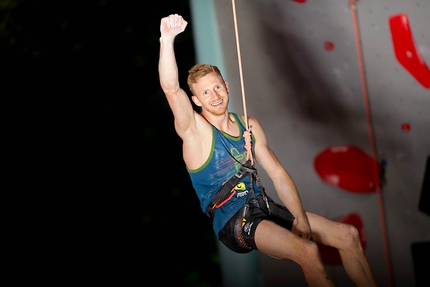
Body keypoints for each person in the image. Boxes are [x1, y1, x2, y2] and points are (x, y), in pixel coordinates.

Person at [158, 13, 377, 287]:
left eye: (217, 87)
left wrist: (300, 219)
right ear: (196, 100)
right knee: (307, 251)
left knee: (348, 235)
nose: (214, 95)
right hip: (234, 220)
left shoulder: (248, 125)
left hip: (263, 207)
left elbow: (278, 175)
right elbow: (170, 89)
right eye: (205, 93)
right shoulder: (196, 132)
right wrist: (167, 39)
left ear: (227, 86)